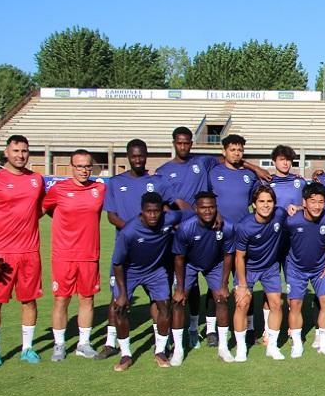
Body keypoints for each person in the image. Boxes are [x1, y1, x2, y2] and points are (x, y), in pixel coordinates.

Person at [97, 139, 172, 360]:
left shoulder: (157, 181)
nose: (138, 159)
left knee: (158, 301)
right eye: (134, 155)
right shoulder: (115, 182)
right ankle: (111, 343)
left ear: (146, 156)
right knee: (118, 299)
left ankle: (160, 343)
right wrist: (133, 231)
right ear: (128, 156)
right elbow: (111, 215)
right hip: (126, 253)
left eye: (141, 155)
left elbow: (168, 207)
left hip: (154, 254)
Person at [0, 135, 45, 369]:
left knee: (29, 300)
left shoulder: (36, 180)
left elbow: (38, 210)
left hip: (30, 252)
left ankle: (27, 348)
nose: (21, 155)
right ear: (6, 153)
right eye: (16, 150)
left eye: (25, 151)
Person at [157, 127, 219, 348]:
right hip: (181, 236)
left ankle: (210, 330)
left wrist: (254, 167)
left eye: (187, 143)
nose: (183, 146)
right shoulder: (163, 171)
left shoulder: (202, 162)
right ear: (174, 143)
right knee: (186, 286)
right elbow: (163, 204)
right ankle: (190, 329)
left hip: (208, 234)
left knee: (214, 283)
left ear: (192, 143)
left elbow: (228, 158)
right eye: (179, 143)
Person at [42, 150, 105, 361]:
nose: (84, 170)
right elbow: (44, 210)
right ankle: (59, 345)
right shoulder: (58, 190)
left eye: (87, 166)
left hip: (89, 255)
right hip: (64, 255)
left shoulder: (99, 188)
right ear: (71, 167)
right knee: (61, 299)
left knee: (87, 299)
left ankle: (83, 344)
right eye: (79, 166)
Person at [110, 193, 184, 371]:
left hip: (155, 271)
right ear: (141, 211)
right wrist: (122, 293)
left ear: (162, 211)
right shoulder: (129, 231)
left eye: (156, 211)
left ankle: (160, 351)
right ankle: (126, 355)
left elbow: (188, 213)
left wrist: (217, 215)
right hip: (130, 271)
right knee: (119, 308)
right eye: (149, 212)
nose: (153, 215)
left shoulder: (169, 218)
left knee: (165, 307)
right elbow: (118, 263)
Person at [210, 134, 264, 343]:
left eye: (239, 150)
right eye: (232, 149)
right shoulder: (213, 172)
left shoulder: (249, 176)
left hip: (242, 236)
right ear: (224, 151)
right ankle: (212, 330)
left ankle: (249, 328)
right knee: (216, 282)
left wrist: (253, 168)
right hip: (218, 235)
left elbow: (256, 201)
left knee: (245, 283)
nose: (236, 153)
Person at [171, 192, 236, 363]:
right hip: (189, 264)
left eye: (212, 207)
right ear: (195, 208)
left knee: (221, 299)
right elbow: (179, 258)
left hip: (214, 263)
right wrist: (179, 289)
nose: (208, 211)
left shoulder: (226, 226)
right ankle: (178, 349)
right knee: (178, 301)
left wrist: (224, 284)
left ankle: (223, 347)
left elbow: (228, 255)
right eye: (203, 207)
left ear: (216, 208)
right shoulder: (186, 228)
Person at [284, 182, 325, 358]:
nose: (317, 206)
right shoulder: (291, 220)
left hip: (320, 269)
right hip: (295, 269)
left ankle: (323, 345)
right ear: (304, 202)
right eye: (313, 201)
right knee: (295, 305)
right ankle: (297, 344)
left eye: (321, 202)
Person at [232, 185, 287, 362]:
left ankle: (272, 346)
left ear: (274, 203)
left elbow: (292, 211)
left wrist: (298, 207)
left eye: (269, 201)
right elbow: (239, 257)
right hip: (248, 268)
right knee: (242, 303)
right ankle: (241, 348)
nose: (265, 205)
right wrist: (241, 285)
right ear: (254, 204)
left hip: (270, 267)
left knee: (276, 304)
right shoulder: (244, 226)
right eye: (261, 201)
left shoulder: (279, 215)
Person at [265, 145, 305, 210]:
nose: (285, 163)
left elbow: (310, 205)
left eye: (288, 160)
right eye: (282, 159)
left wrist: (299, 208)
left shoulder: (301, 182)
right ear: (274, 162)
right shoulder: (267, 182)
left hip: (296, 219)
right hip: (275, 220)